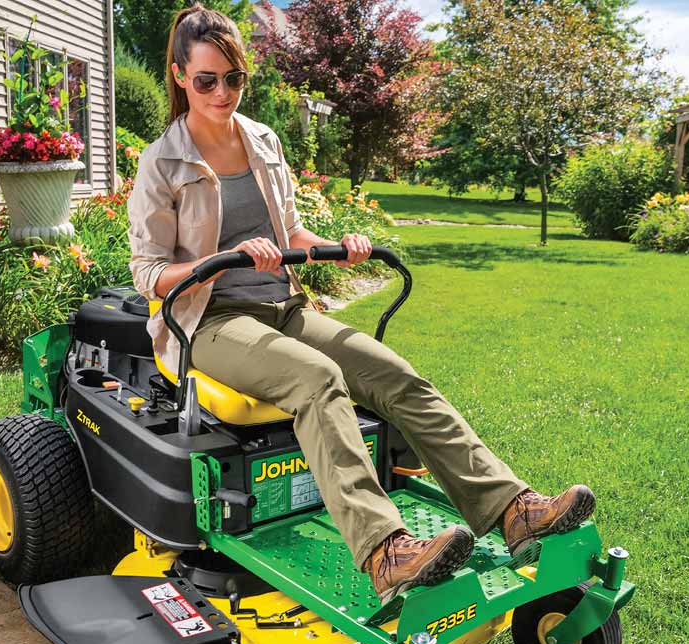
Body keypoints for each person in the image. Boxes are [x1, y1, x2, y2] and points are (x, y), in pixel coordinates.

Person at [126, 4, 596, 604]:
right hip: (209, 321)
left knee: (394, 374)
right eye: (206, 80)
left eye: (234, 79)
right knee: (317, 378)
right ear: (178, 76)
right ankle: (385, 553)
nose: (222, 92)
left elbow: (290, 233)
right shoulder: (161, 161)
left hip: (284, 309)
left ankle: (511, 509)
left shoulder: (264, 141)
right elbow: (150, 274)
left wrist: (334, 249)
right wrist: (226, 258)